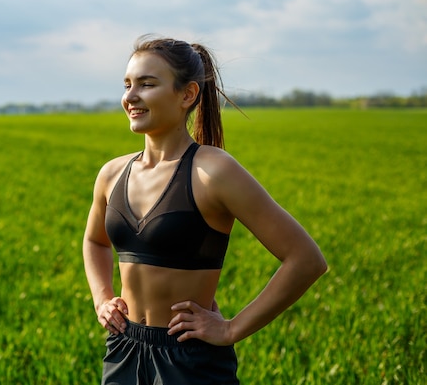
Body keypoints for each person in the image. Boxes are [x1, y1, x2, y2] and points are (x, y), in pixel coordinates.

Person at [82, 35, 328, 385]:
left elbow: (305, 259)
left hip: (189, 360)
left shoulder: (213, 171)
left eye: (147, 84)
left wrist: (231, 329)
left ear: (188, 95)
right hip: (124, 350)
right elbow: (95, 242)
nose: (130, 97)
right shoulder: (111, 174)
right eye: (127, 84)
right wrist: (102, 298)